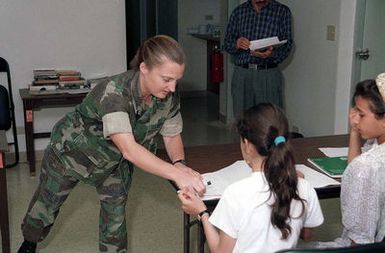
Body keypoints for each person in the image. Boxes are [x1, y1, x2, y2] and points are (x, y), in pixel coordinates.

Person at [17, 35, 206, 253]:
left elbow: (172, 135)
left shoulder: (168, 95)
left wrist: (180, 163)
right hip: (72, 154)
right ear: (144, 68)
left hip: (114, 162)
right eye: (166, 79)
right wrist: (175, 174)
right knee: (45, 208)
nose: (172, 88)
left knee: (115, 218)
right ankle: (29, 242)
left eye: (176, 80)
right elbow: (130, 149)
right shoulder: (115, 92)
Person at [178, 103, 324, 253]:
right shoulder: (304, 187)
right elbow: (306, 234)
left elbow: (220, 252)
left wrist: (202, 212)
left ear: (247, 145)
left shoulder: (235, 194)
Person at [316, 74, 385, 248]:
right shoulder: (376, 146)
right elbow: (357, 166)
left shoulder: (366, 167)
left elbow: (359, 242)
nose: (354, 118)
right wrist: (355, 130)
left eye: (361, 115)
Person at [224, 0, 293, 117]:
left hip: (268, 73)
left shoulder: (282, 11)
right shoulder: (239, 12)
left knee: (271, 119)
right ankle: (244, 136)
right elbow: (227, 43)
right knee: (243, 120)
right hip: (242, 74)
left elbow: (287, 45)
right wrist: (237, 44)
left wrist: (271, 55)